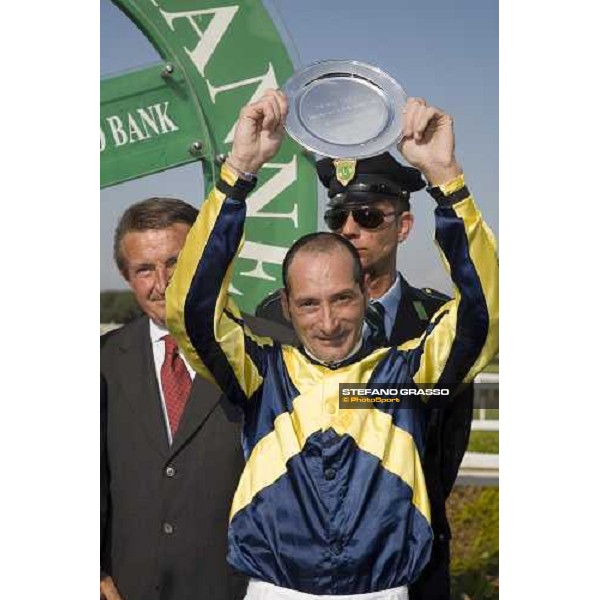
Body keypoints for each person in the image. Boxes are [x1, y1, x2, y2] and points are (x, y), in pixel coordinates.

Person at [166, 90, 499, 598]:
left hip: (389, 586)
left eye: (342, 300)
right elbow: (191, 310)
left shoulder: (407, 373)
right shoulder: (261, 370)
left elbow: (486, 311)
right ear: (288, 303)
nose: (327, 323)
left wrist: (446, 179)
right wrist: (238, 174)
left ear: (365, 291)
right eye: (308, 305)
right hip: (274, 586)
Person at [256, 151, 473, 600]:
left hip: (410, 559)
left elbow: (448, 440)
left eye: (369, 216)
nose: (350, 229)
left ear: (404, 226)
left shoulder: (435, 318)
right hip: (299, 572)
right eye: (338, 216)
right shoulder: (277, 318)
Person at [100, 198, 248, 600]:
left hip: (238, 589)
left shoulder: (265, 351)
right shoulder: (101, 362)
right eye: (145, 269)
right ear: (125, 275)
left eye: (175, 262)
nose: (162, 282)